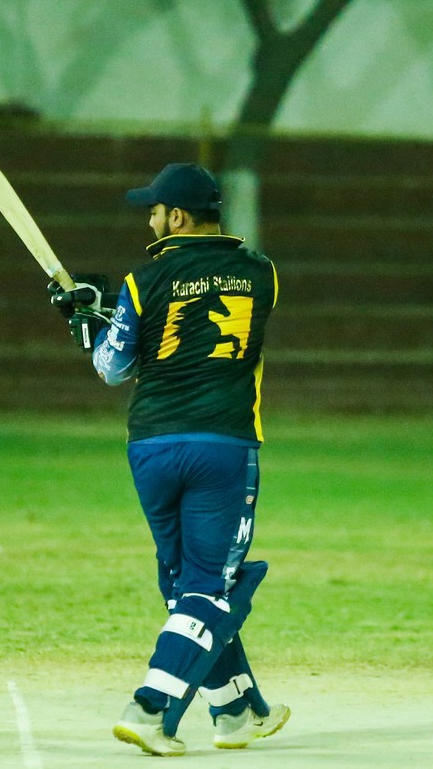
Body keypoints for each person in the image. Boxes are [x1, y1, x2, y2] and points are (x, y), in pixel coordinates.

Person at [55, 164, 288, 756]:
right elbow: (203, 320)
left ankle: (235, 711)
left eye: (155, 213)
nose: (150, 223)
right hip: (222, 446)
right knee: (209, 588)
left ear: (177, 216)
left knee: (187, 586)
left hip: (152, 447)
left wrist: (90, 320)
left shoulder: (143, 280)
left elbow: (114, 367)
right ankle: (150, 708)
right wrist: (107, 308)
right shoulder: (261, 273)